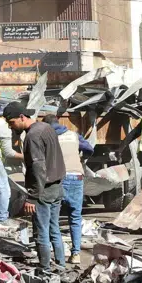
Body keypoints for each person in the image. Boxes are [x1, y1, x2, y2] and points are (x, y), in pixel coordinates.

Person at [3, 101, 66, 273]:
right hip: (57, 186)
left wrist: (32, 197)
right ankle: (61, 264)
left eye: (12, 122)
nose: (11, 127)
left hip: (43, 191)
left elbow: (38, 168)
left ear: (22, 117)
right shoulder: (46, 128)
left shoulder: (33, 136)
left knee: (41, 231)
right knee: (54, 228)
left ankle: (45, 268)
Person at [48, 113, 94, 265]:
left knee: (53, 218)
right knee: (75, 217)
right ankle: (76, 254)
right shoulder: (73, 135)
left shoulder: (48, 136)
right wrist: (82, 158)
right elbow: (89, 148)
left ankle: (56, 254)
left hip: (58, 178)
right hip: (76, 177)